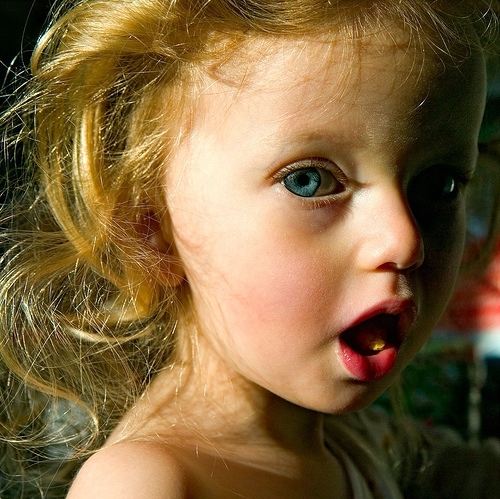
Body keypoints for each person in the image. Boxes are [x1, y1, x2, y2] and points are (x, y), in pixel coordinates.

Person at [1, 0, 500, 497]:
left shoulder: (364, 446)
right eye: (309, 180)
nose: (405, 240)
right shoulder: (146, 484)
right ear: (150, 226)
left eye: (439, 185)